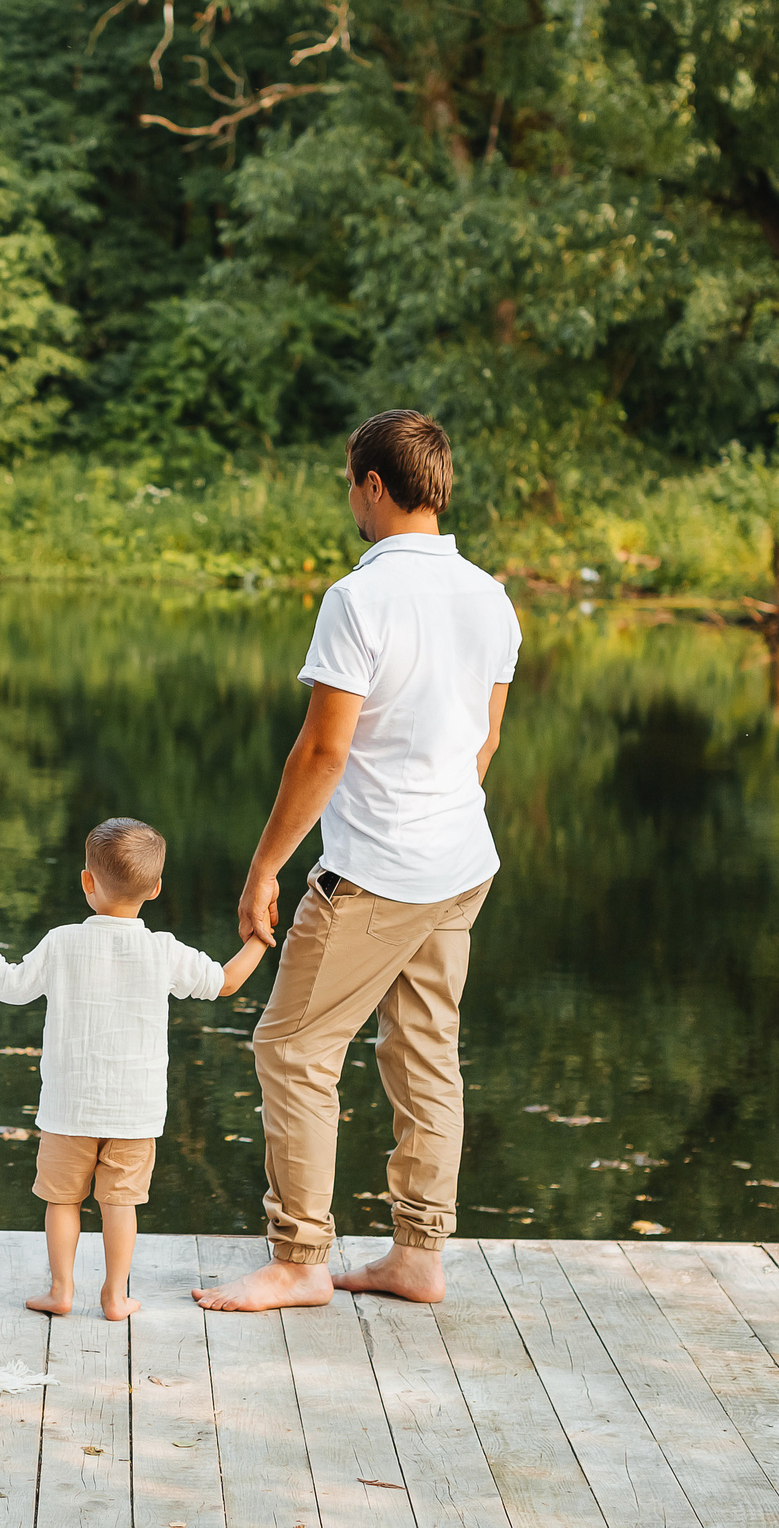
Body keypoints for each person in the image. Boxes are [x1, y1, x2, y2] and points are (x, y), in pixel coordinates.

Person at [196, 409, 519, 1313]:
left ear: (374, 485)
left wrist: (264, 867)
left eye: (352, 483)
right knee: (426, 1051)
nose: (352, 499)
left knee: (293, 1046)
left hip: (379, 869)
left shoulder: (359, 598)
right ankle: (418, 1251)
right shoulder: (490, 595)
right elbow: (486, 740)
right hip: (461, 862)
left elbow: (321, 753)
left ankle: (299, 1258)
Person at [0, 817, 268, 1320]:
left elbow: (9, 987)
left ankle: (61, 1292)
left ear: (86, 881)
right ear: (157, 889)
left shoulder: (62, 942)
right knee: (119, 1206)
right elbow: (226, 983)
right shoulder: (162, 950)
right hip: (135, 1114)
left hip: (67, 1110)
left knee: (62, 1202)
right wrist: (259, 939)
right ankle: (115, 1296)